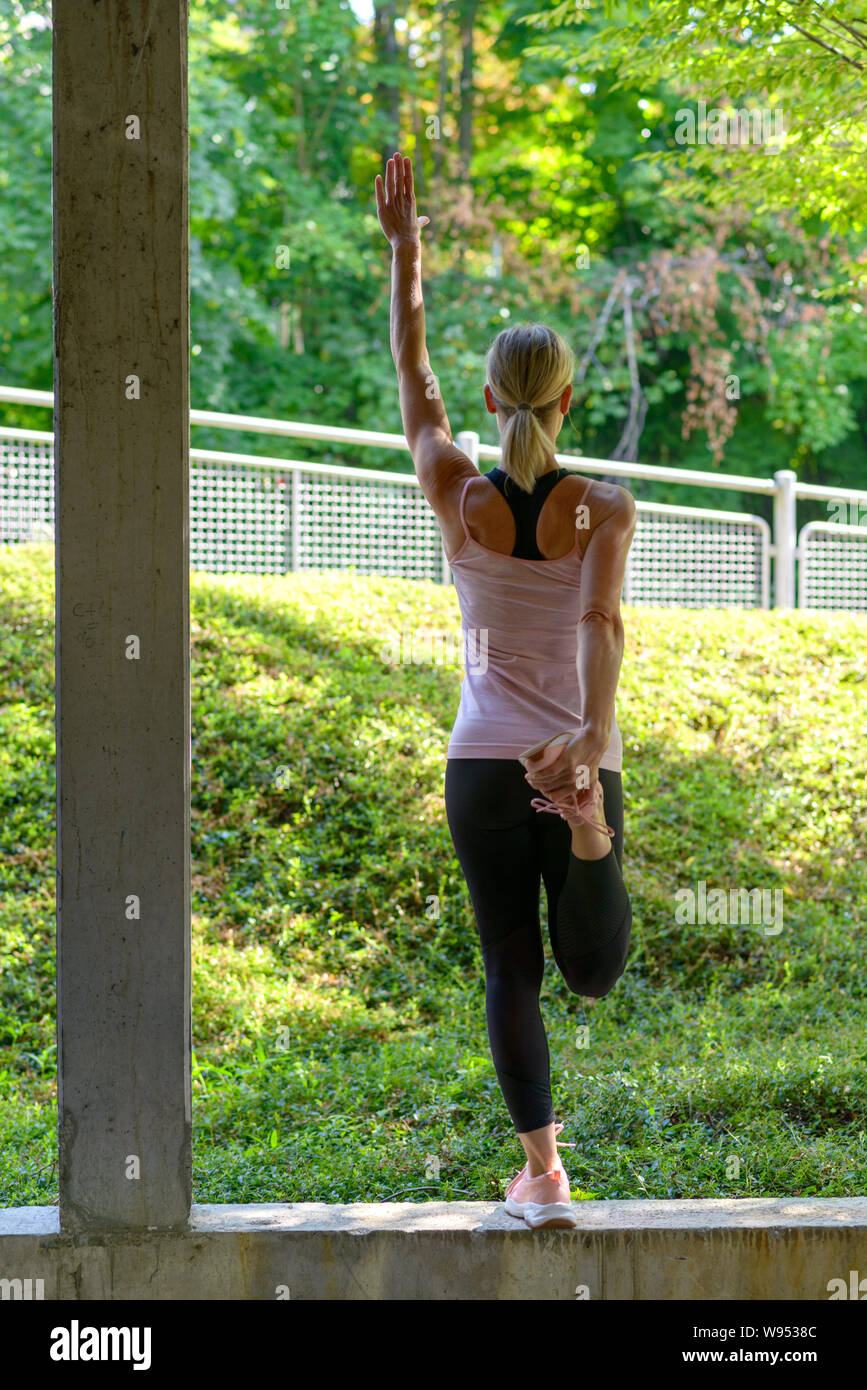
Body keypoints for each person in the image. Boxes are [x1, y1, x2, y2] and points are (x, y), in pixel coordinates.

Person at [375, 151, 636, 1229]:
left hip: (482, 758)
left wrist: (408, 256)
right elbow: (601, 622)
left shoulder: (455, 489)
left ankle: (544, 1172)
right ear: (568, 399)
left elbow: (411, 373)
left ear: (493, 398)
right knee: (591, 974)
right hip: (578, 755)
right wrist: (590, 738)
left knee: (509, 966)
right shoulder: (605, 507)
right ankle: (587, 836)